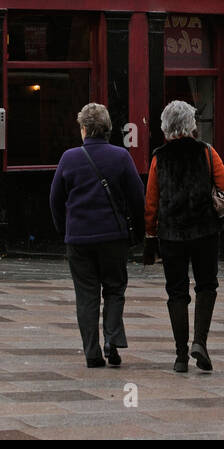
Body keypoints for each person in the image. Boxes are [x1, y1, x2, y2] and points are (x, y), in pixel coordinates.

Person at [49, 103, 144, 369]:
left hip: (79, 239)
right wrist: (136, 232)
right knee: (114, 288)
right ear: (107, 129)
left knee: (86, 294)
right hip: (113, 237)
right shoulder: (121, 157)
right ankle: (112, 339)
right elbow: (138, 198)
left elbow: (55, 200)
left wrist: (64, 229)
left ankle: (91, 352)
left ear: (84, 129)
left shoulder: (69, 158)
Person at [145, 100, 224, 373]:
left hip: (171, 234)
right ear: (191, 125)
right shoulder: (207, 152)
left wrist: (150, 233)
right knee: (206, 285)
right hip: (205, 232)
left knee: (177, 291)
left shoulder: (159, 157)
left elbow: (151, 201)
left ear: (166, 126)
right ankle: (201, 343)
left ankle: (181, 355)